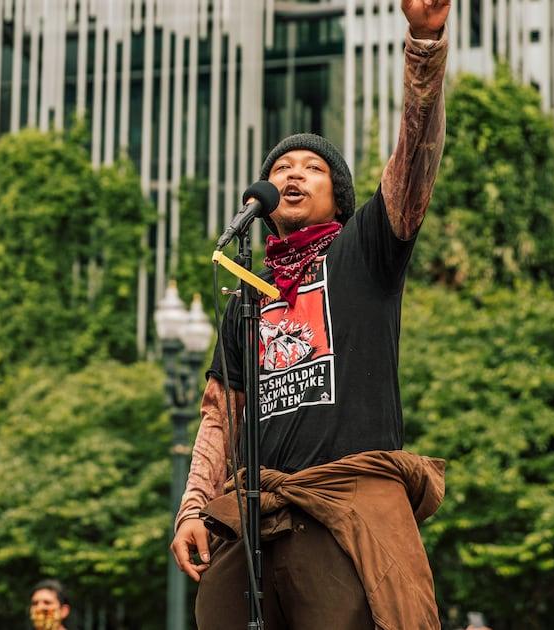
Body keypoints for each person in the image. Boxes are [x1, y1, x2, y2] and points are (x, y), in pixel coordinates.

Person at [168, 1, 451, 629]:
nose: (292, 173)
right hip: (254, 515)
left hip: (343, 507)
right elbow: (220, 417)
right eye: (280, 168)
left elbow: (414, 164)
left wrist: (424, 46)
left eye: (312, 168)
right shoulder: (247, 295)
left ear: (338, 197)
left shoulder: (365, 250)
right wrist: (191, 510)